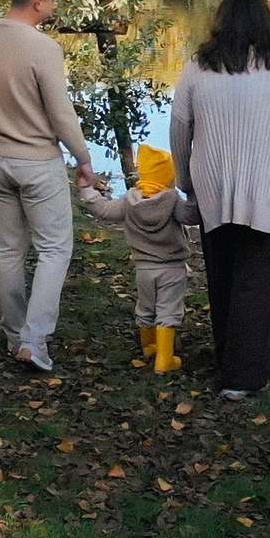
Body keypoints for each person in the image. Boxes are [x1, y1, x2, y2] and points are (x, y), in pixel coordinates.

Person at [169, 0, 270, 399]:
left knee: (223, 274)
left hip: (212, 182)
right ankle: (241, 376)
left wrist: (186, 182)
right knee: (259, 278)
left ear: (221, 23)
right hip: (267, 184)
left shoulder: (197, 67)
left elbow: (180, 129)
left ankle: (231, 356)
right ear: (265, 24)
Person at [0, 0, 97, 372]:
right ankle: (34, 341)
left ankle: (13, 335)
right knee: (55, 248)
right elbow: (60, 114)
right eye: (53, 1)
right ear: (38, 2)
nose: (54, 8)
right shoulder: (43, 48)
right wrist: (84, 158)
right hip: (37, 163)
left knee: (7, 250)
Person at [77, 144, 202, 374]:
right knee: (168, 311)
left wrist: (87, 191)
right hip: (172, 268)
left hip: (143, 268)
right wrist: (195, 192)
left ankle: (149, 348)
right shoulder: (172, 201)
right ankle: (165, 360)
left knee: (146, 307)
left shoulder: (129, 200)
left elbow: (104, 210)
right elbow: (191, 215)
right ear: (168, 178)